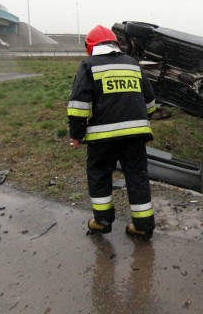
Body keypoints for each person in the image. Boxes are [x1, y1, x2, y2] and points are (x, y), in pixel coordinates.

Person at [67, 25, 157, 239]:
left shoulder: (89, 65)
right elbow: (151, 103)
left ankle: (102, 221)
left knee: (99, 174)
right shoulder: (133, 64)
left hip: (102, 138)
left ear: (90, 47)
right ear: (116, 44)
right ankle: (143, 226)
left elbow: (79, 104)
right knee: (137, 176)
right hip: (136, 135)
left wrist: (76, 135)